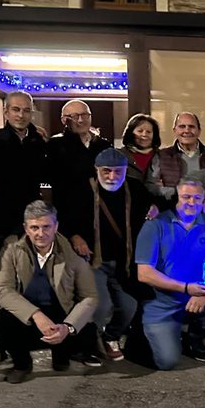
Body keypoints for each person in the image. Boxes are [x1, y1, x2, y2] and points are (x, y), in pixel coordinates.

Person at [61, 147, 155, 362]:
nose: (112, 177)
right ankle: (88, 345)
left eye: (118, 172)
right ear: (96, 170)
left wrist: (155, 209)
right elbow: (64, 219)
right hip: (93, 262)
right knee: (99, 306)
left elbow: (157, 203)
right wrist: (75, 236)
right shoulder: (80, 190)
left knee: (129, 306)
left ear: (125, 172)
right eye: (106, 171)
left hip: (124, 263)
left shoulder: (136, 189)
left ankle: (108, 337)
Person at [0, 200, 99, 383]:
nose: (40, 234)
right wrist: (35, 314)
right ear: (26, 228)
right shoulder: (11, 248)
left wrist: (68, 327)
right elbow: (1, 289)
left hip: (61, 310)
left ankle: (63, 353)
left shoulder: (72, 252)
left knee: (85, 324)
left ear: (56, 226)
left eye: (46, 227)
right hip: (27, 311)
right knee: (1, 319)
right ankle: (22, 364)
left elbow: (89, 296)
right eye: (34, 228)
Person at [135, 179, 205, 366]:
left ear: (204, 200)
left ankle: (195, 337)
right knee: (166, 361)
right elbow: (144, 273)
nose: (191, 202)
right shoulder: (155, 225)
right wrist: (186, 288)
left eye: (197, 198)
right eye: (186, 197)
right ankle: (145, 334)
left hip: (198, 293)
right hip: (162, 299)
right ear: (176, 198)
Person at [0, 91, 48, 253]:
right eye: (16, 110)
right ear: (6, 112)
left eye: (26, 111)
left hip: (31, 221)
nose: (21, 115)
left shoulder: (39, 143)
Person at [47, 99, 111, 253]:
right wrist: (71, 233)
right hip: (73, 220)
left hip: (103, 222)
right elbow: (59, 194)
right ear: (64, 120)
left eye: (85, 115)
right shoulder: (55, 146)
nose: (81, 120)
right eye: (75, 116)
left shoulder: (103, 145)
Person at [147, 112, 205, 207]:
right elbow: (151, 185)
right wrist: (176, 192)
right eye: (182, 126)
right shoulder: (161, 156)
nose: (187, 130)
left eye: (191, 126)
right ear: (174, 130)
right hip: (171, 210)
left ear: (199, 131)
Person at [121, 113, 161, 184]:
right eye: (140, 131)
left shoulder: (164, 157)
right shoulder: (119, 156)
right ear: (130, 133)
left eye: (148, 132)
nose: (144, 135)